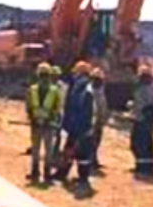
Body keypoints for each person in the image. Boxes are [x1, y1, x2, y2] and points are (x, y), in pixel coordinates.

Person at [59, 62, 97, 193]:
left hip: (79, 125)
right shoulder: (82, 85)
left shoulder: (83, 87)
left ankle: (79, 177)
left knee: (78, 151)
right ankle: (67, 174)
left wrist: (73, 123)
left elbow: (82, 107)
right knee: (74, 150)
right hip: (79, 124)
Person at [26, 63, 64, 185]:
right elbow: (57, 108)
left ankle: (35, 172)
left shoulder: (32, 89)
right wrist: (49, 119)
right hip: (48, 124)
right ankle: (46, 174)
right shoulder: (55, 90)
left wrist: (33, 118)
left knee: (36, 149)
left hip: (37, 123)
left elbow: (28, 107)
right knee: (48, 150)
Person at [131, 64, 153, 180]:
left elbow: (140, 104)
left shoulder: (141, 89)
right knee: (148, 143)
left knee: (139, 144)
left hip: (141, 118)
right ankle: (148, 167)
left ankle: (142, 168)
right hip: (149, 118)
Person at [89, 67, 110, 173]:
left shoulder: (101, 91)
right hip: (91, 122)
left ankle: (94, 160)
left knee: (97, 142)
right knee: (91, 142)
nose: (99, 82)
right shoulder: (89, 91)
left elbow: (104, 107)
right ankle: (90, 161)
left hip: (99, 122)